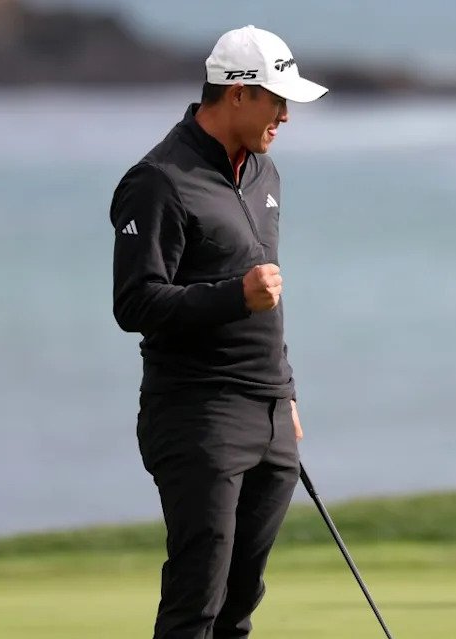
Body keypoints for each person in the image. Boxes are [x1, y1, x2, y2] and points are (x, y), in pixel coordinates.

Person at [109, 25, 328, 639]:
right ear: (237, 93)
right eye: (275, 99)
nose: (285, 114)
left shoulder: (264, 174)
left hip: (269, 415)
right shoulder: (159, 181)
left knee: (238, 606)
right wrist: (234, 296)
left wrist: (285, 391)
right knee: (196, 603)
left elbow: (269, 305)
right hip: (198, 414)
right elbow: (135, 302)